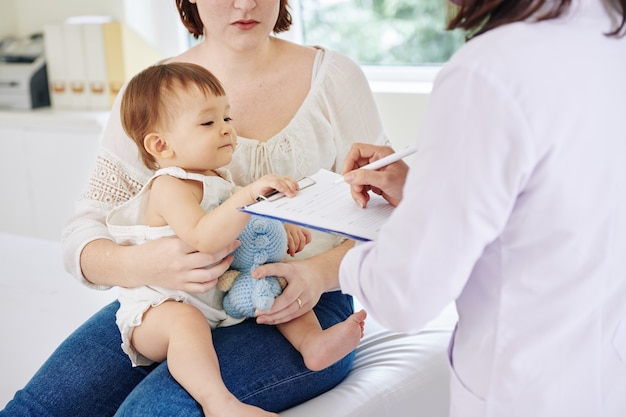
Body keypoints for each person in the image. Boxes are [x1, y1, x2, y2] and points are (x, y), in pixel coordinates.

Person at [0, 1, 388, 415]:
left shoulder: (334, 78)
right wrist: (146, 264)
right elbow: (82, 235)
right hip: (180, 300)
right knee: (36, 410)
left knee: (154, 411)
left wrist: (317, 272)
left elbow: (389, 218)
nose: (245, 3)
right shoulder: (153, 96)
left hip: (303, 301)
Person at [266, 1, 625, 416]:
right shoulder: (608, 35)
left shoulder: (491, 71)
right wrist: (426, 189)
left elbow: (407, 293)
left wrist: (329, 270)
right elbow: (560, 200)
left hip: (525, 389)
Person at [110, 62, 366, 417]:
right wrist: (248, 198)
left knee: (275, 279)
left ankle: (312, 343)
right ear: (160, 144)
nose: (228, 130)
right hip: (160, 311)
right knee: (187, 324)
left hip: (219, 296)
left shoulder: (219, 179)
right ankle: (219, 403)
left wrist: (279, 223)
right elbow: (204, 238)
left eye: (227, 118)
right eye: (208, 122)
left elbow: (244, 228)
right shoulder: (168, 186)